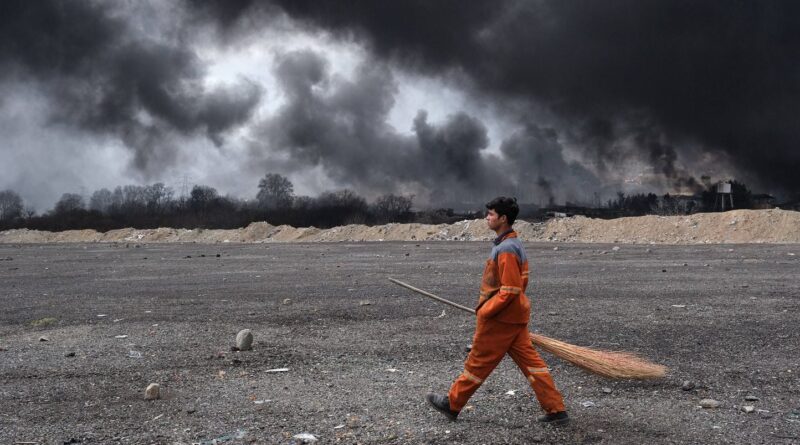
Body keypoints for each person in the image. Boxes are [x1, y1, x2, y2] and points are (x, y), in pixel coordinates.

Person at [426, 196, 569, 424]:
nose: (487, 218)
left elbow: (510, 290)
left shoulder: (507, 248)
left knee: (478, 362)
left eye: (491, 214)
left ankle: (452, 404)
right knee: (533, 365)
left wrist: (485, 311)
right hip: (514, 318)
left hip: (500, 319)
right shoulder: (512, 244)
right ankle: (556, 410)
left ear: (503, 219)